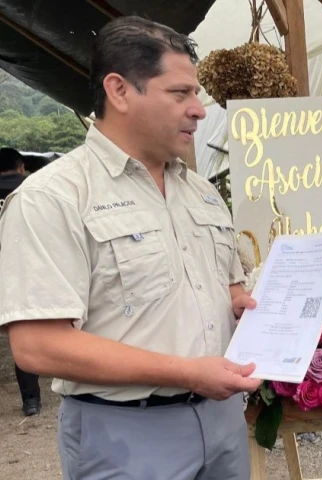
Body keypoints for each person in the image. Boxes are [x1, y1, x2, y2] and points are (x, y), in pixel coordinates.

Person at [0, 16, 262, 480]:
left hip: (222, 424)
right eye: (180, 93)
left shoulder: (201, 193)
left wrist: (240, 305)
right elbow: (38, 346)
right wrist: (186, 372)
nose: (199, 109)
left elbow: (225, 289)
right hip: (125, 434)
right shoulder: (54, 198)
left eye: (196, 94)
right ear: (119, 91)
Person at [0, 146, 43, 416]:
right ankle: (31, 401)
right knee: (23, 332)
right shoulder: (34, 189)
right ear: (21, 167)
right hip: (21, 270)